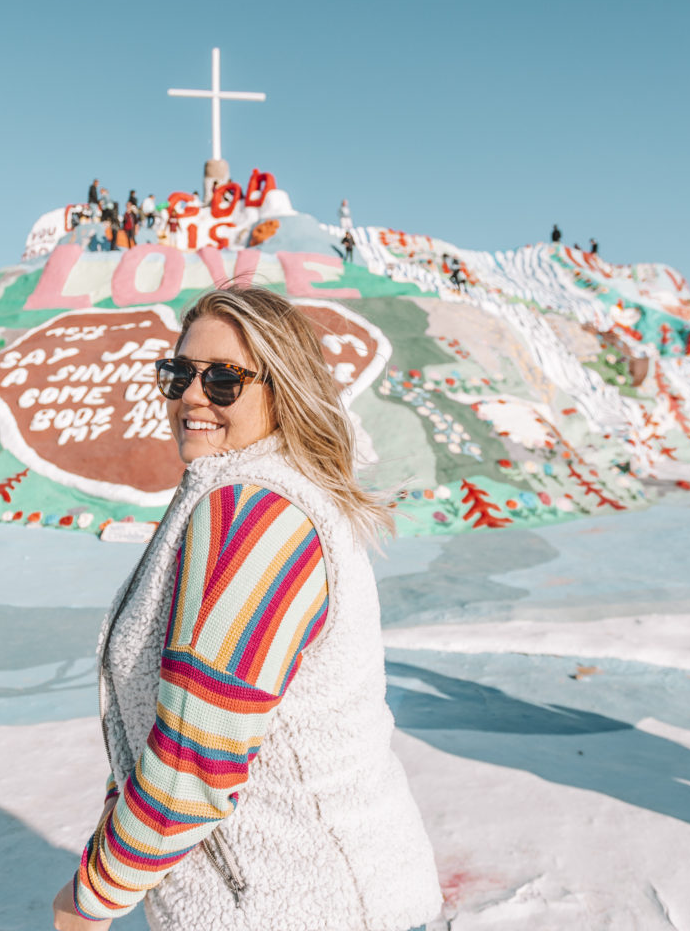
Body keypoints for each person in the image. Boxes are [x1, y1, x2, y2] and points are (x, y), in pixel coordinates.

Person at [54, 287, 442, 930]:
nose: (192, 396)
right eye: (178, 373)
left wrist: (92, 898)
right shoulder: (236, 494)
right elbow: (159, 729)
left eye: (224, 379)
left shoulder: (255, 517)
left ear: (282, 389)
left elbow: (192, 765)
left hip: (305, 906)